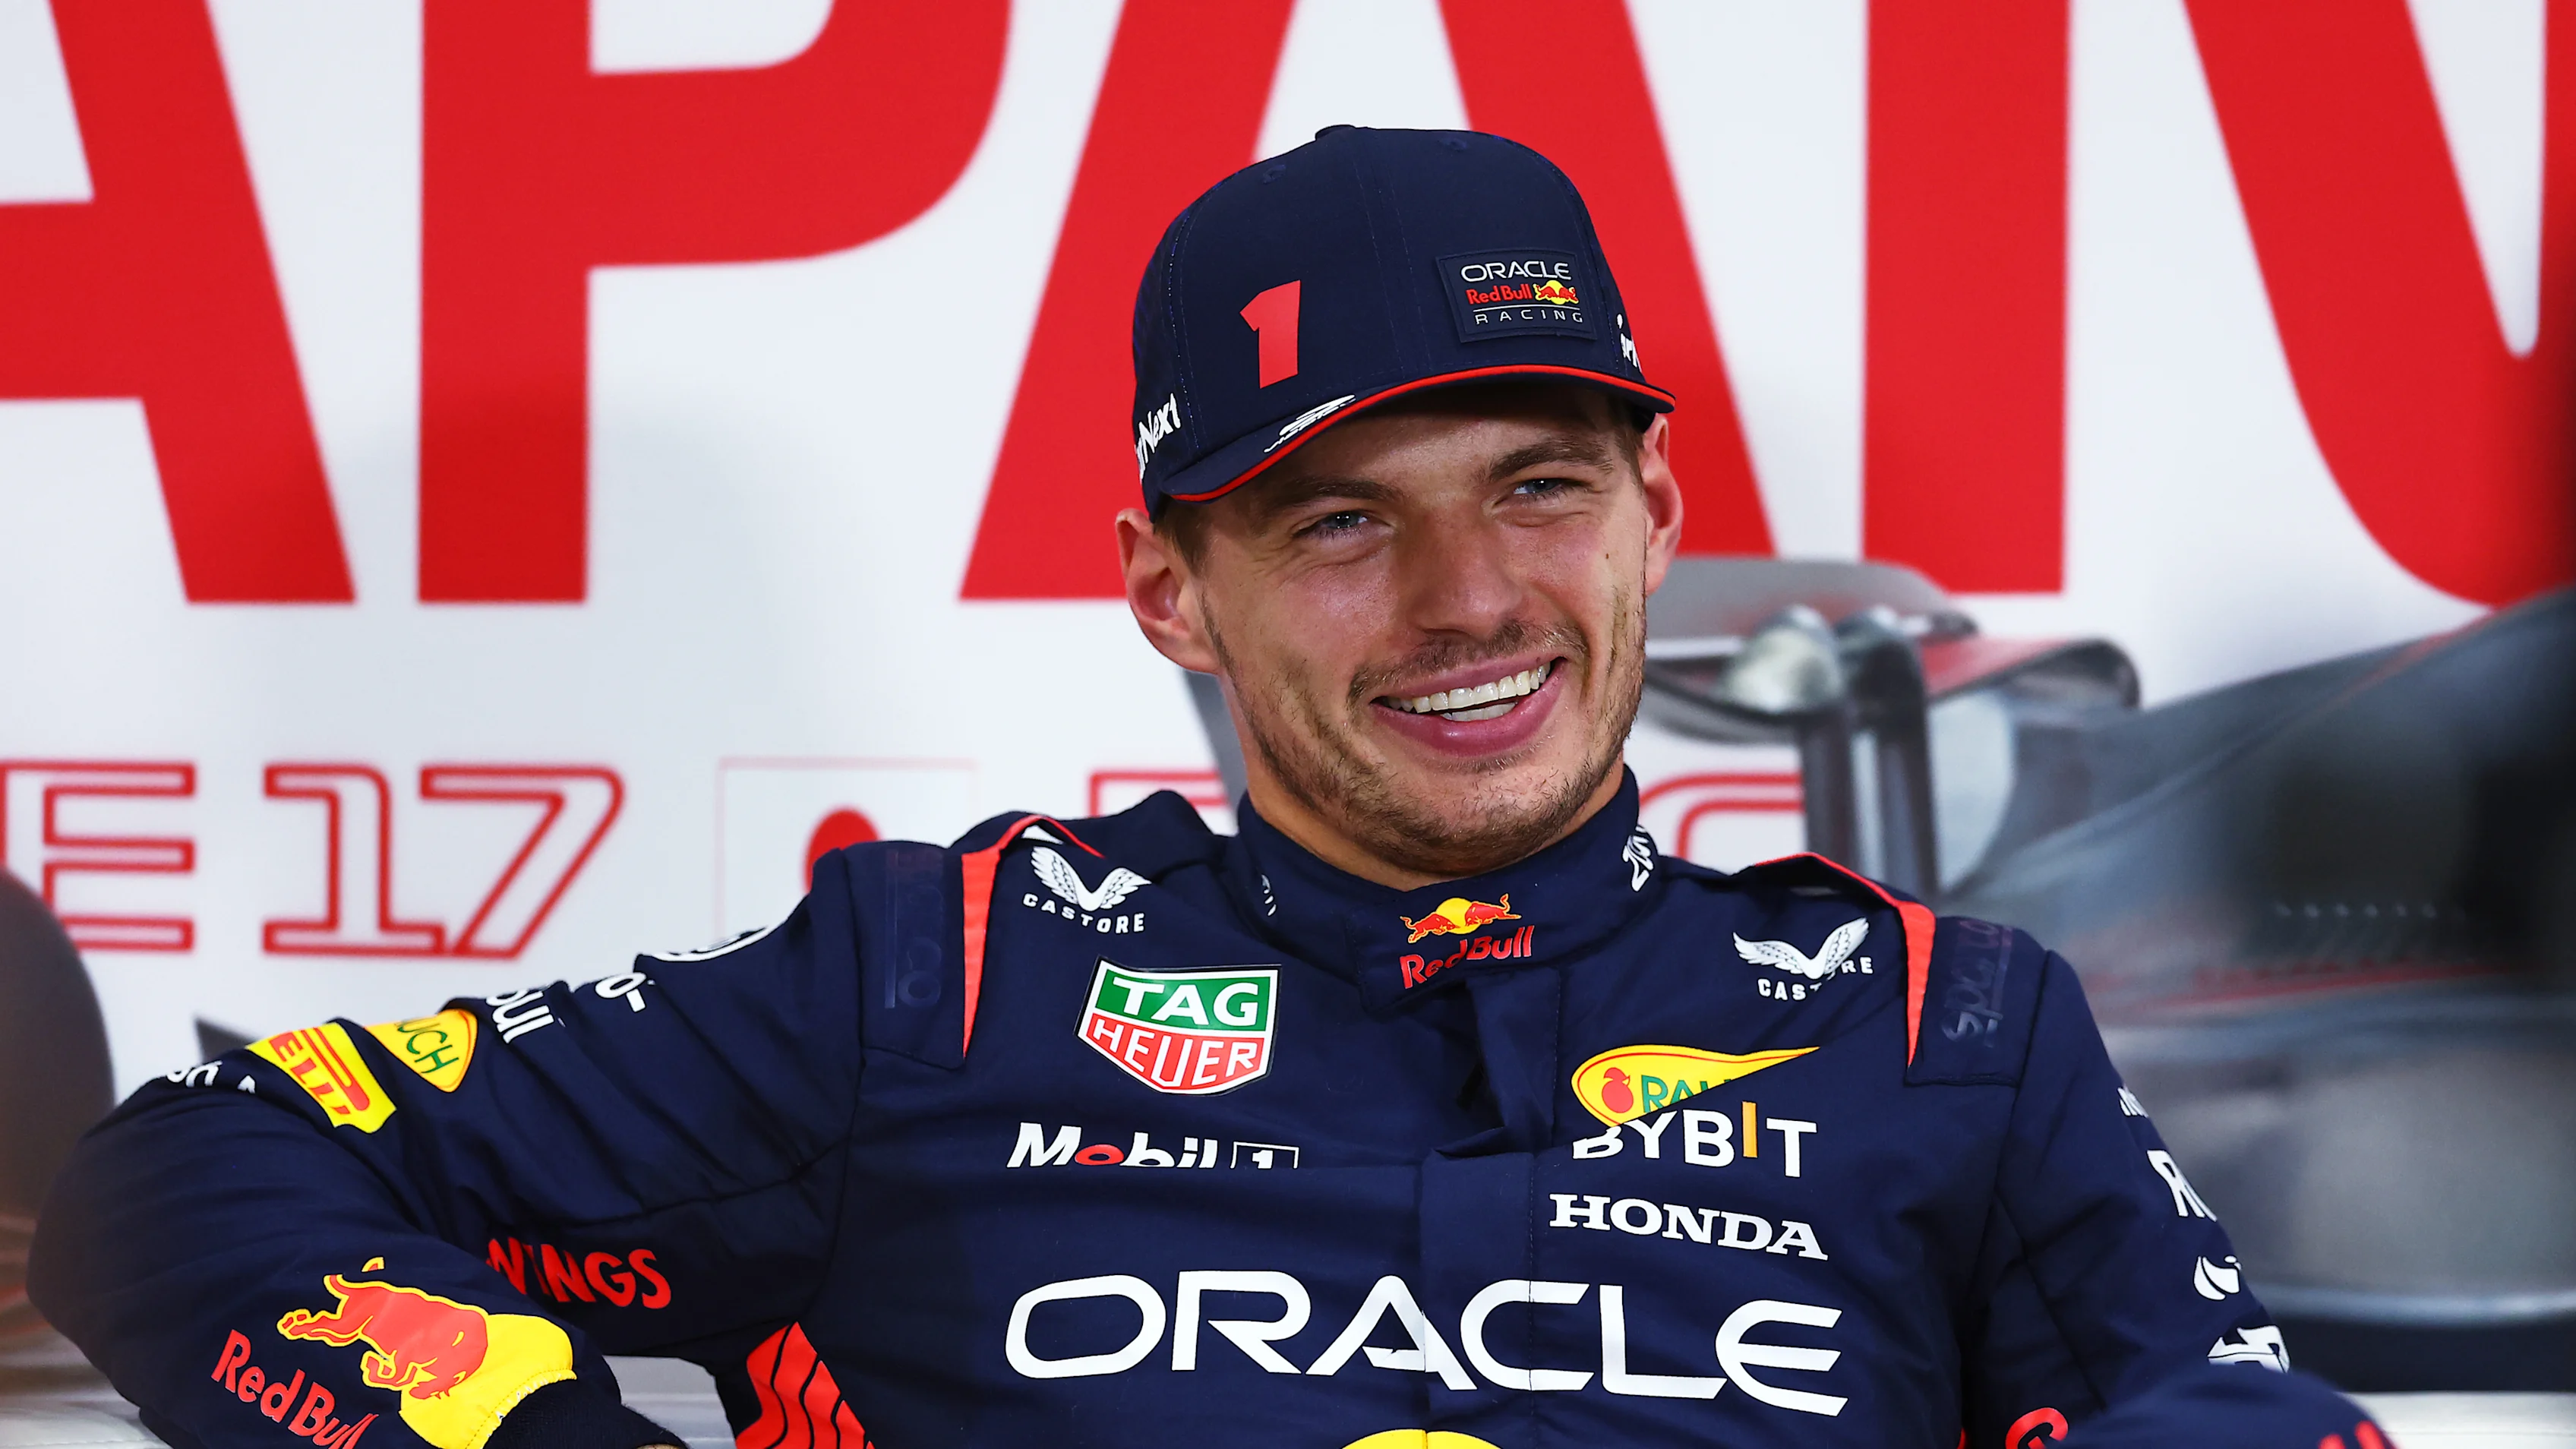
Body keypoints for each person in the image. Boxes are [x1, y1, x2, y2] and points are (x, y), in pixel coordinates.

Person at [32, 126, 2372, 1449]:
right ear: (1171, 586)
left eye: (1536, 484)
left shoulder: (1944, 1024)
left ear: (1657, 512)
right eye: (1342, 518)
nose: (1471, 596)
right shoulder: (932, 982)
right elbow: (178, 1179)